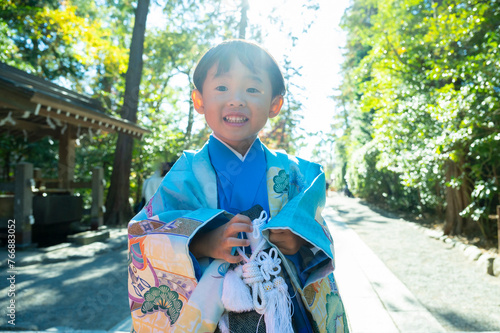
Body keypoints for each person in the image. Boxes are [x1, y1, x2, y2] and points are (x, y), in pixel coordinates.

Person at [127, 40, 348, 332]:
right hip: (212, 314)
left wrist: (297, 242)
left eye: (252, 89)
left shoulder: (298, 173)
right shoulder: (187, 172)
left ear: (274, 104)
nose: (236, 100)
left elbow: (313, 228)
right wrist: (203, 241)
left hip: (283, 304)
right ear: (199, 100)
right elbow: (146, 231)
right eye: (222, 88)